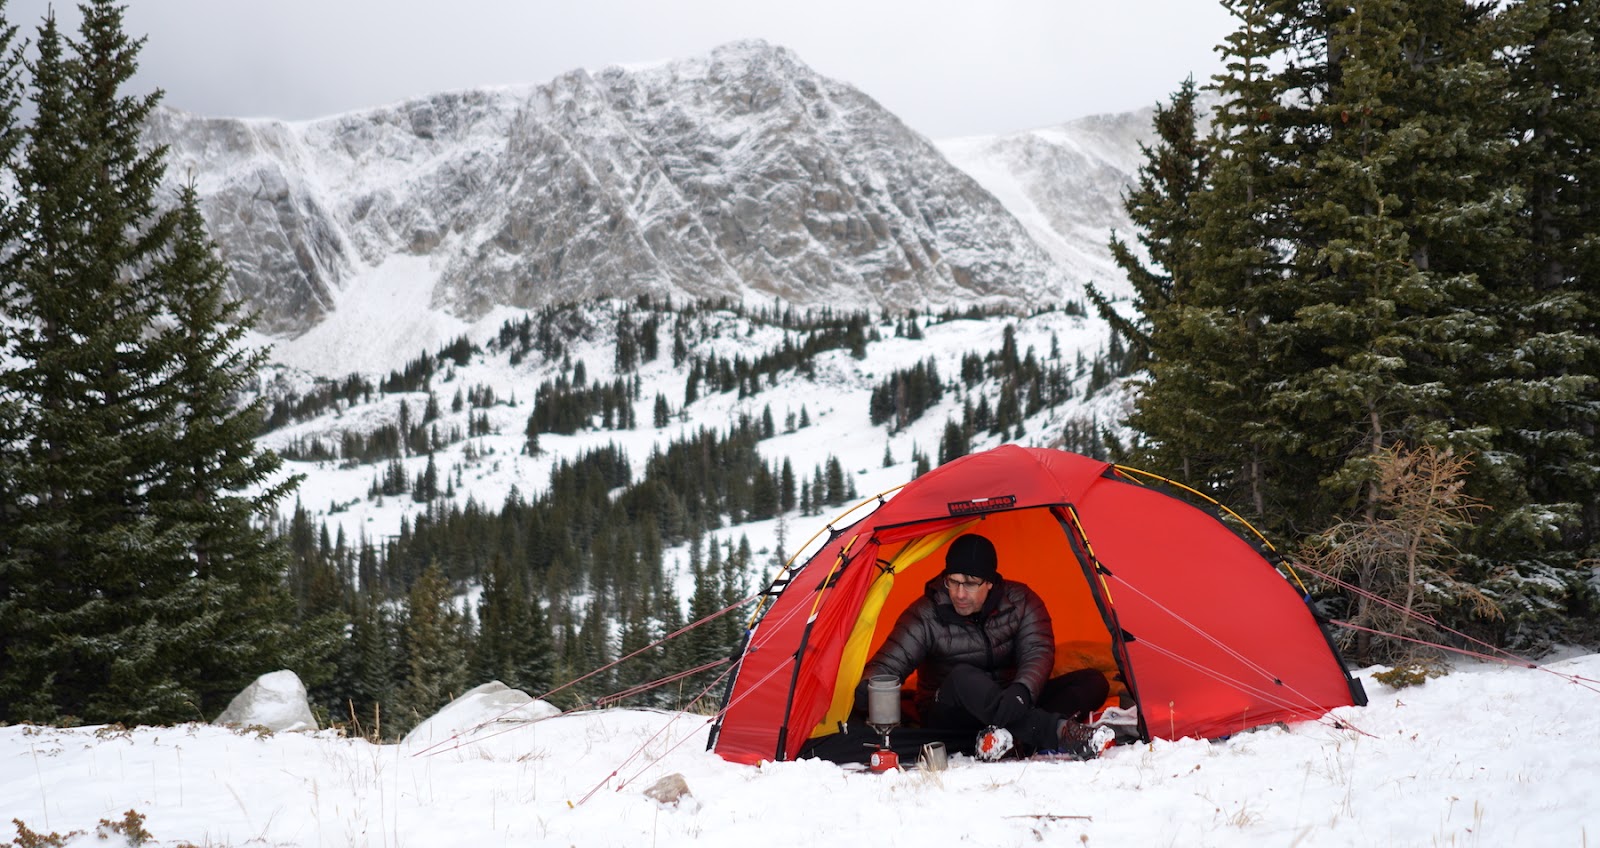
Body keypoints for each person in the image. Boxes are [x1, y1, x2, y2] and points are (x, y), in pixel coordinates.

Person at [856, 532, 1111, 760]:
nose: (959, 593)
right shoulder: (925, 614)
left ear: (990, 582)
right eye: (952, 581)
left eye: (970, 583)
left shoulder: (1021, 602)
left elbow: (1038, 650)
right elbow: (888, 664)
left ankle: (1004, 737)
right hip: (949, 710)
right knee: (963, 676)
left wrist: (1023, 689)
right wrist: (865, 689)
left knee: (1093, 681)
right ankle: (1059, 733)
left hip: (1011, 700)